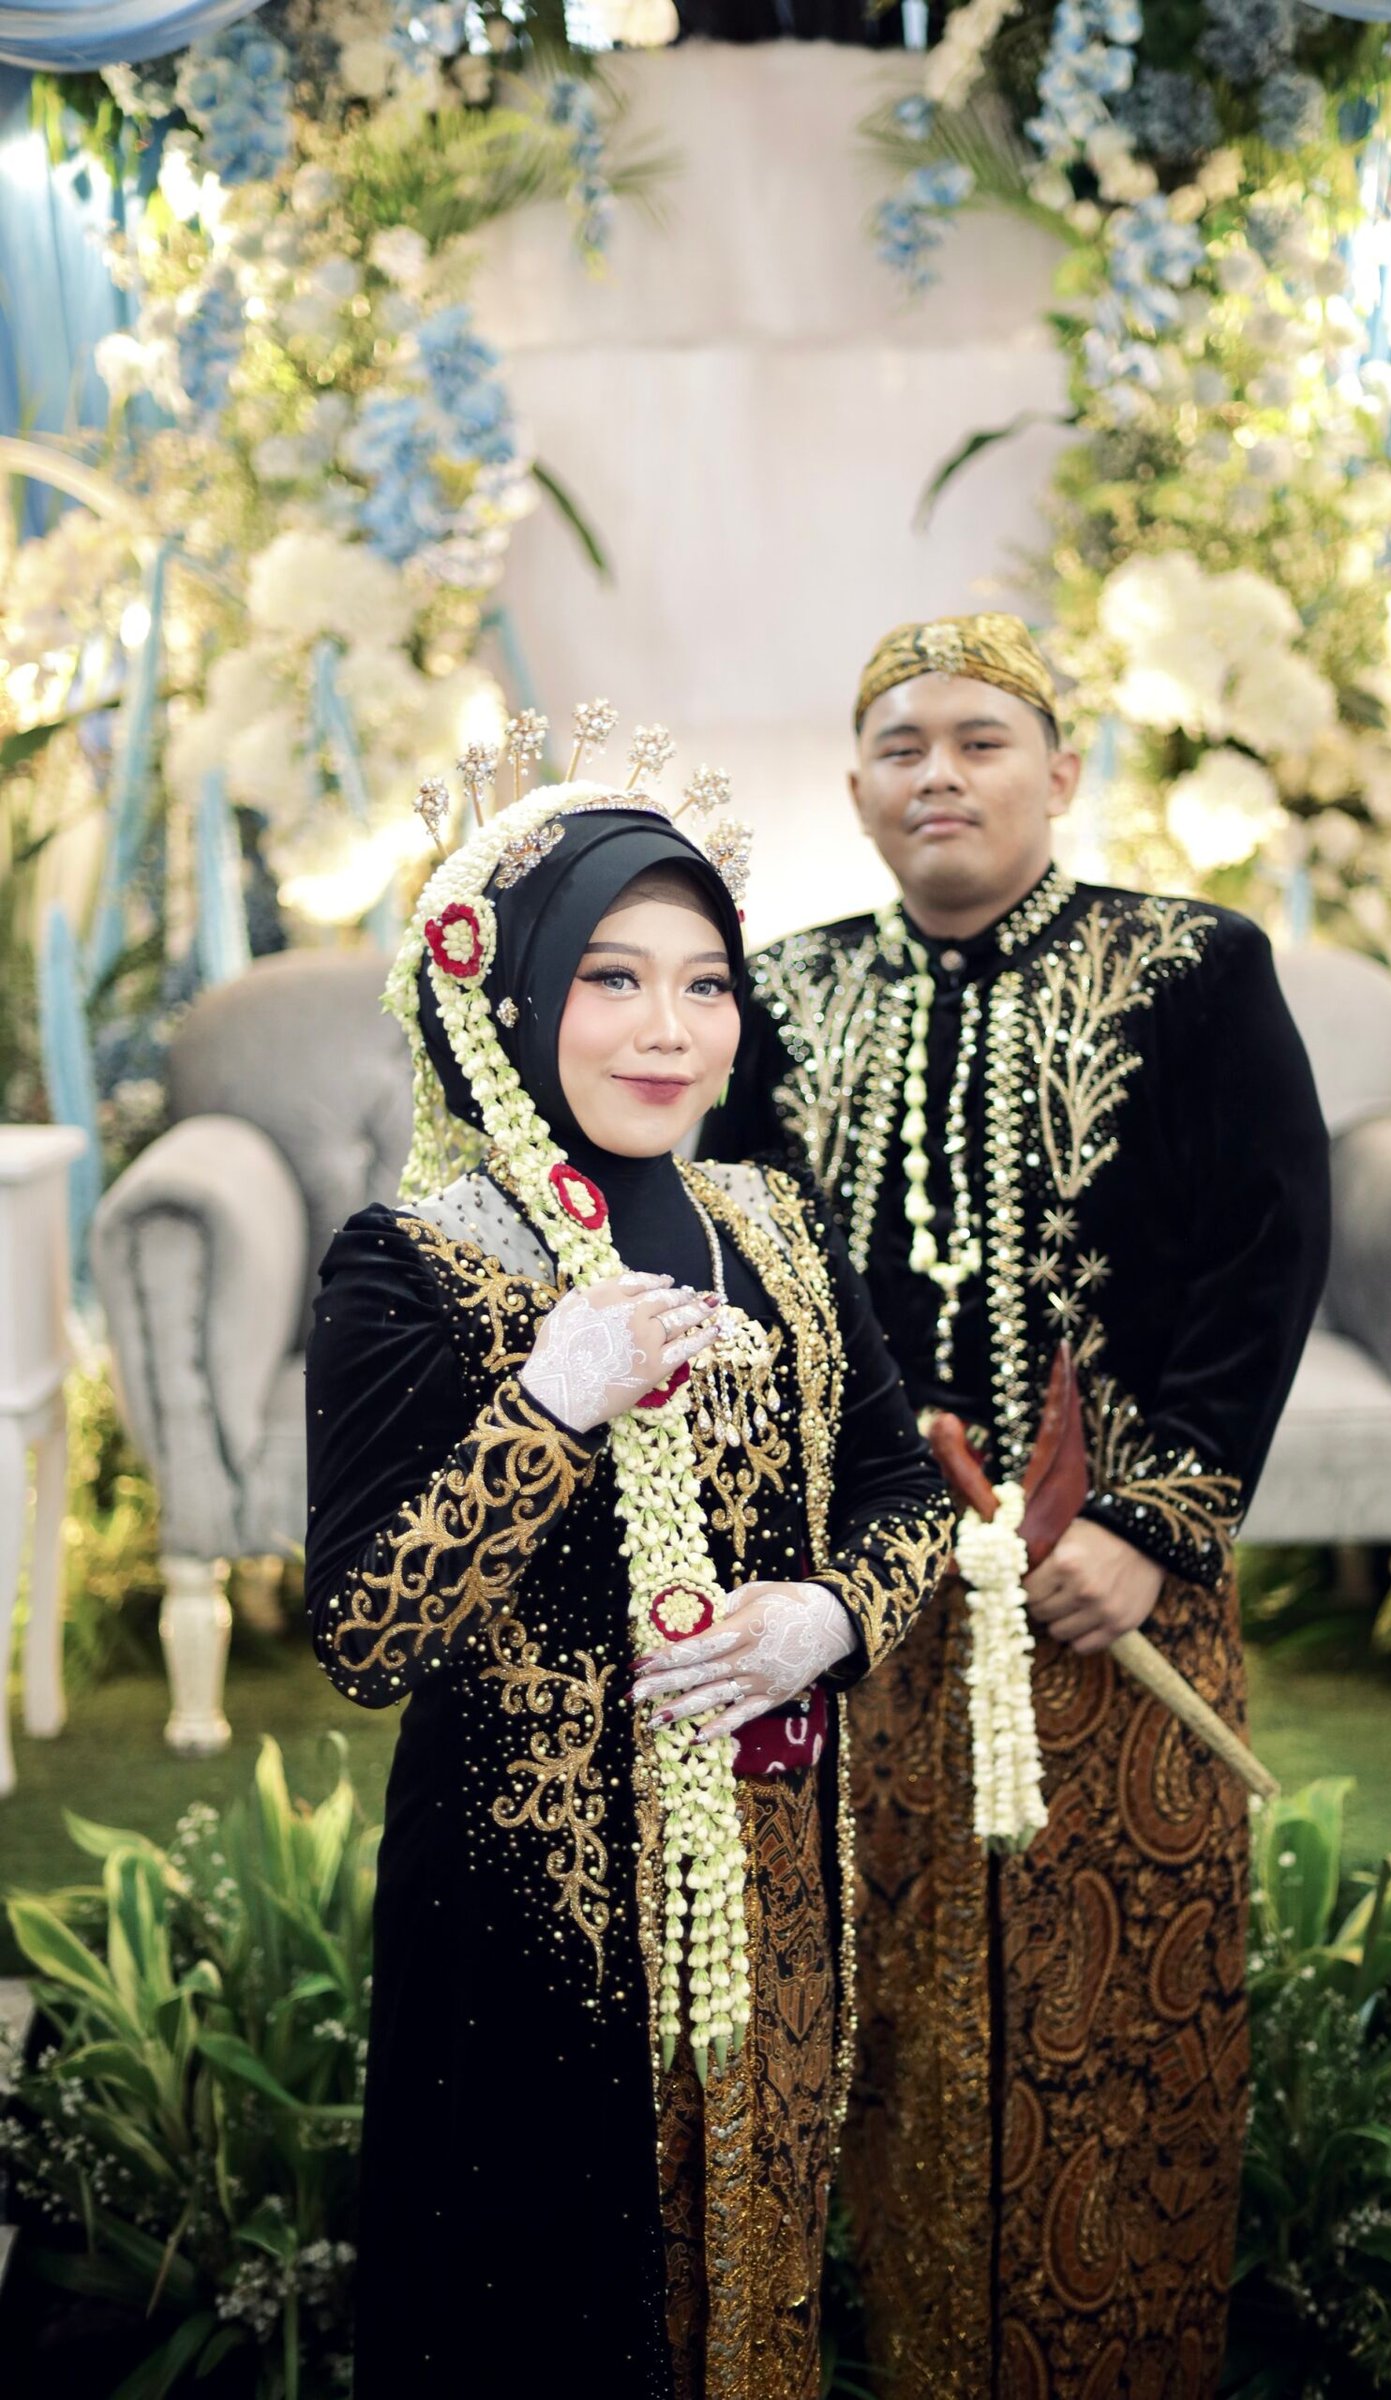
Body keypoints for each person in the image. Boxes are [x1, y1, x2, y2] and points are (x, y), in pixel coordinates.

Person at [704, 614, 1332, 2398]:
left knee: (1120, 2019)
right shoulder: (783, 994)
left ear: (1061, 774)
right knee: (901, 2009)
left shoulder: (1193, 967)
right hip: (875, 1602)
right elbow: (749, 1272)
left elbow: (1270, 1244)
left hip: (1119, 1594)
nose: (941, 776)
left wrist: (1154, 1521)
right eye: (902, 748)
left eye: (980, 742)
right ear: (855, 791)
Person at [303, 726, 951, 2400]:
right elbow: (366, 1633)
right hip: (528, 1932)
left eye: (706, 984)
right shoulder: (414, 1265)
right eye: (613, 978)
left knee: (755, 2293)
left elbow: (901, 1496)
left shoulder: (774, 1228)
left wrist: (825, 1617)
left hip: (773, 1884)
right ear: (509, 997)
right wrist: (548, 1406)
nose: (671, 1029)